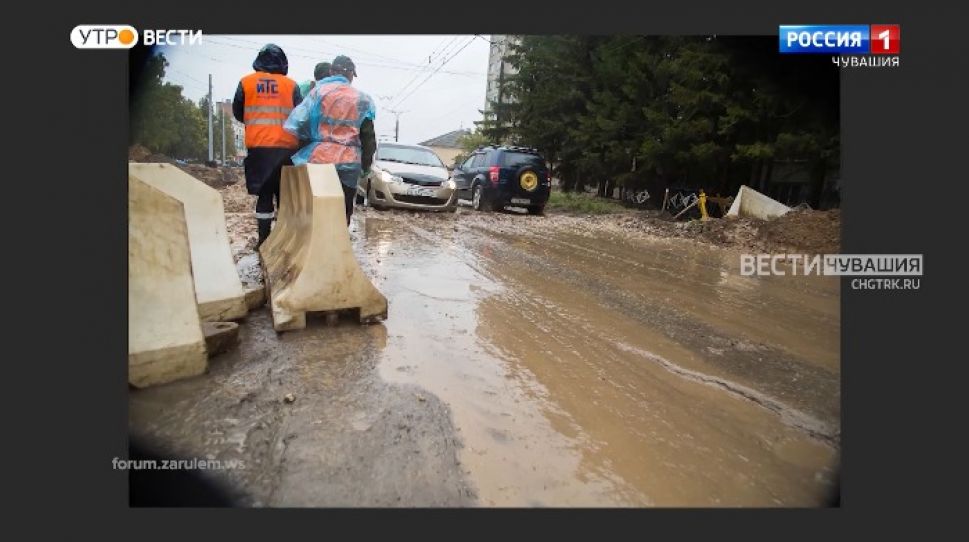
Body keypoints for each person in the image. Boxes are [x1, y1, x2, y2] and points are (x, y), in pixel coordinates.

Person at [283, 55, 377, 225]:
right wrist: (365, 165)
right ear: (350, 75)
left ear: (332, 71)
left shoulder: (317, 93)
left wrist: (304, 151)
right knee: (342, 212)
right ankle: (338, 246)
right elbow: (368, 138)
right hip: (348, 164)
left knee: (316, 208)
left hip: (319, 160)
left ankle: (315, 246)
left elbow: (299, 123)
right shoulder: (363, 100)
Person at [232, 44, 303, 247]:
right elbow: (300, 116)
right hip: (286, 149)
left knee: (264, 195)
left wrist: (257, 121)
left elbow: (239, 112)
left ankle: (263, 241)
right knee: (284, 196)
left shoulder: (246, 83)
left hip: (259, 148)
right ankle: (284, 241)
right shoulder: (291, 86)